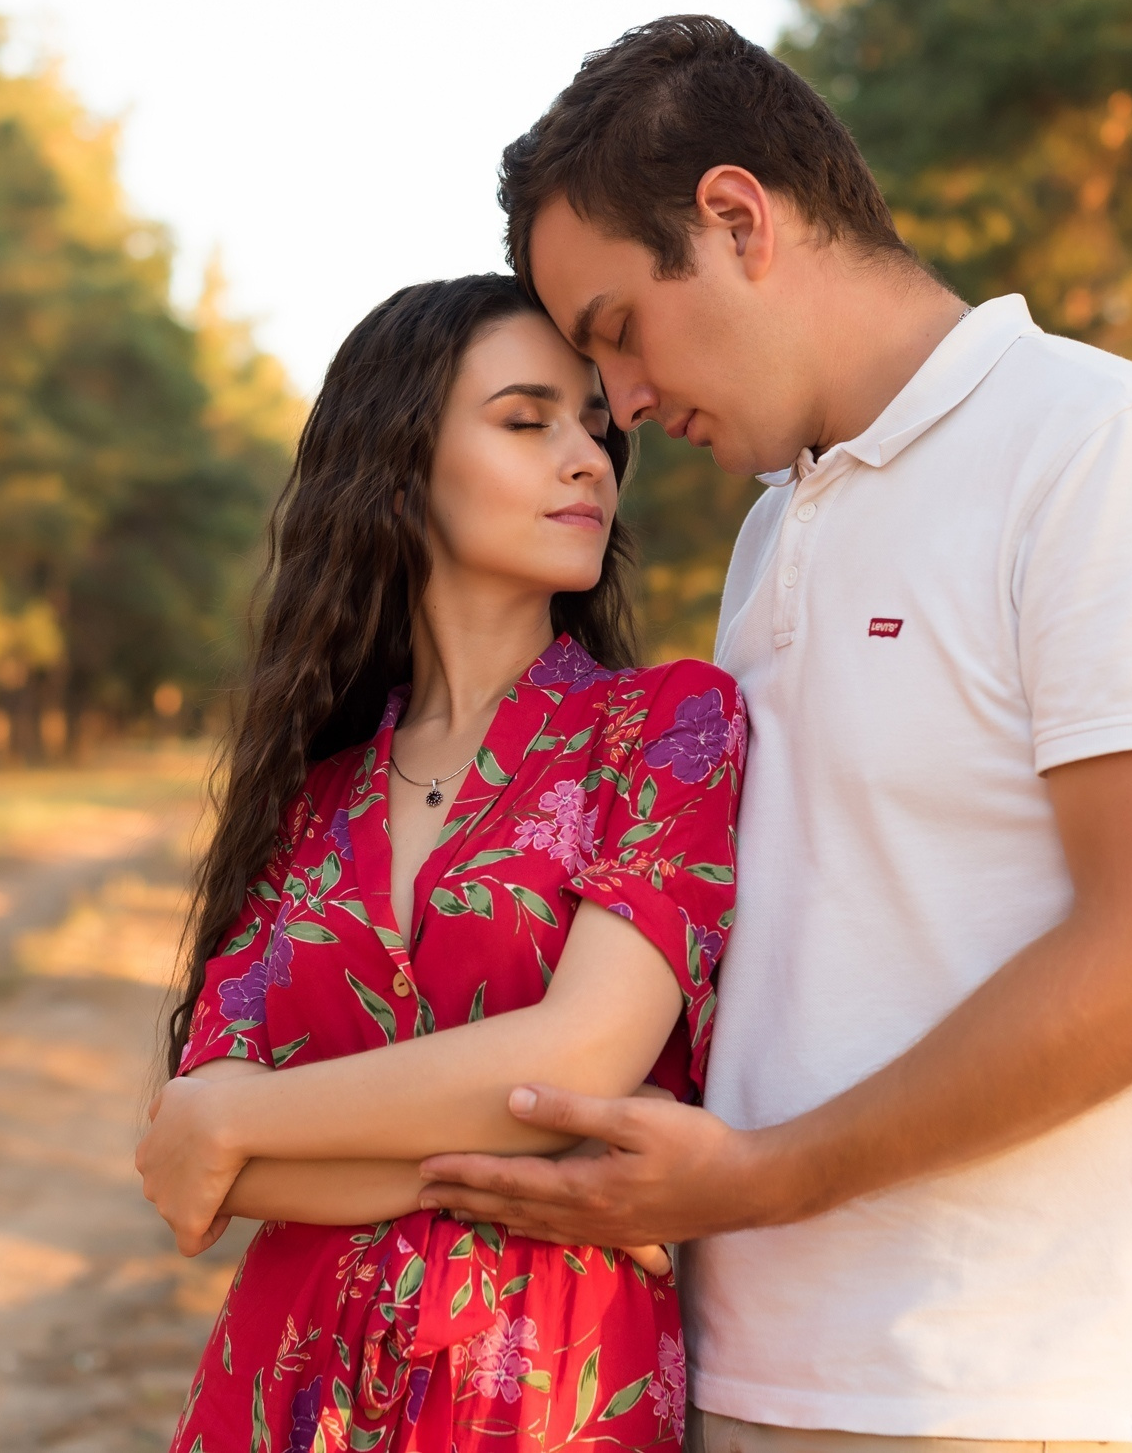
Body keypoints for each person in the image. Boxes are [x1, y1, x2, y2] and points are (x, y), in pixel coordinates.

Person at [416, 17, 1132, 1453]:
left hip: (1005, 1394)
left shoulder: (1103, 452)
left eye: (619, 332)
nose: (623, 406)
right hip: (739, 1371)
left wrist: (759, 1177)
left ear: (736, 216)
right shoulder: (775, 532)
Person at [134, 273, 745, 1453]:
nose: (589, 459)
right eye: (528, 421)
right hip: (288, 1388)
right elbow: (198, 1165)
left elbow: (579, 1054)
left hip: (550, 1392)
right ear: (401, 470)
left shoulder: (667, 728)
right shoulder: (315, 796)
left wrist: (255, 1121)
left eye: (597, 426)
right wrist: (547, 1164)